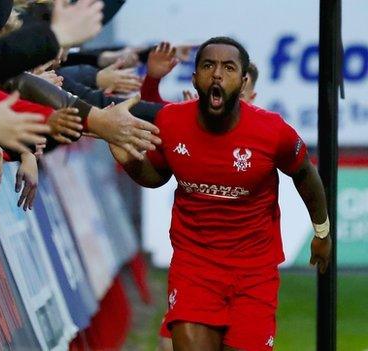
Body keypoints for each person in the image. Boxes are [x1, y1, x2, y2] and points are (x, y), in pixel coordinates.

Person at [111, 36, 331, 351]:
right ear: (194, 77)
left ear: (243, 83)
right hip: (194, 267)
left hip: (254, 272)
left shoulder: (272, 131)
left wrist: (322, 232)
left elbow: (305, 174)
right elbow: (158, 176)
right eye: (208, 65)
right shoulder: (171, 121)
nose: (217, 74)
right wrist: (130, 161)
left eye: (228, 68)